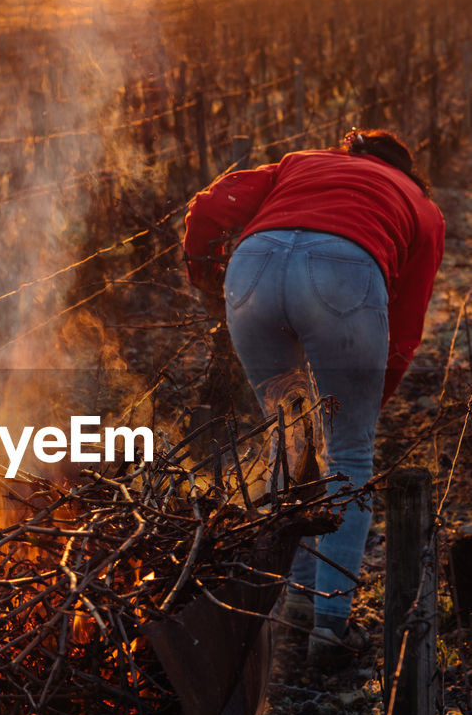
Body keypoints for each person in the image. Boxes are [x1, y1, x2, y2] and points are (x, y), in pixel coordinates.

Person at [182, 129, 445, 665]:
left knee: (289, 443)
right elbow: (408, 321)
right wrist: (370, 401)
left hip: (253, 265)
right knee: (347, 453)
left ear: (350, 152)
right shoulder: (421, 206)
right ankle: (330, 627)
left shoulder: (300, 163)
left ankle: (293, 604)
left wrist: (208, 282)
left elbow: (209, 207)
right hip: (346, 270)